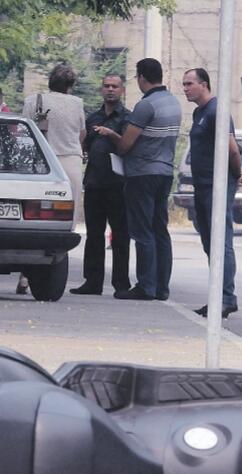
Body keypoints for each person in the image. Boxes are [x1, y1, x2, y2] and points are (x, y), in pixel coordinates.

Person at [94, 58, 181, 301]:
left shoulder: (146, 106)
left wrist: (112, 134)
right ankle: (162, 287)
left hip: (142, 174)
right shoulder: (173, 103)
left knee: (143, 231)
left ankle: (146, 286)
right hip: (165, 173)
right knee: (160, 230)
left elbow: (124, 145)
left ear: (142, 77)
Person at [19, 63, 86, 296]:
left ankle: (26, 276)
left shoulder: (33, 100)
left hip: (42, 163)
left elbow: (23, 132)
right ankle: (54, 268)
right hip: (70, 163)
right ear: (71, 85)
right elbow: (81, 134)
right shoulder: (77, 103)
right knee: (65, 223)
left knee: (34, 219)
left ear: (50, 81)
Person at [182, 67, 241, 318]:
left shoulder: (217, 111)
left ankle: (226, 298)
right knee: (209, 242)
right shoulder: (199, 113)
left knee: (220, 242)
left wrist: (235, 176)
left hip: (217, 186)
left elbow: (233, 150)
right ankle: (217, 297)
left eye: (189, 84)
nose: (185, 89)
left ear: (204, 85)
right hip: (202, 185)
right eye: (184, 84)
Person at [70, 74, 131, 296]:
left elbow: (128, 146)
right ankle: (92, 282)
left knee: (121, 235)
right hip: (95, 182)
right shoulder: (93, 117)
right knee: (94, 235)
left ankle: (121, 284)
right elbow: (83, 144)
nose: (110, 90)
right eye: (106, 86)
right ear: (101, 90)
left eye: (114, 86)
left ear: (122, 90)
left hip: (117, 184)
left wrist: (111, 134)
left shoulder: (127, 118)